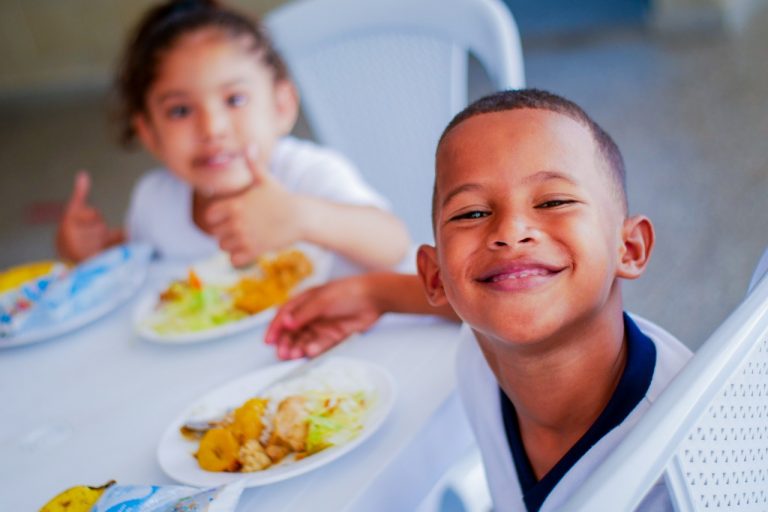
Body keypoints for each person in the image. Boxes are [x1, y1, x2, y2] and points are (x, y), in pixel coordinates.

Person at [267, 89, 693, 511]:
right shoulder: (480, 347)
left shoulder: (687, 455)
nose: (511, 231)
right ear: (434, 276)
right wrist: (373, 293)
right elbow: (485, 293)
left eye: (554, 201)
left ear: (630, 248)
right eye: (472, 213)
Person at [55, 0, 410, 276]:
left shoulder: (306, 174)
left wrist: (301, 217)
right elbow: (140, 258)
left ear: (282, 106)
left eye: (234, 100)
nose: (212, 129)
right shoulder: (155, 201)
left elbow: (393, 243)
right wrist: (95, 250)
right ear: (149, 132)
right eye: (180, 111)